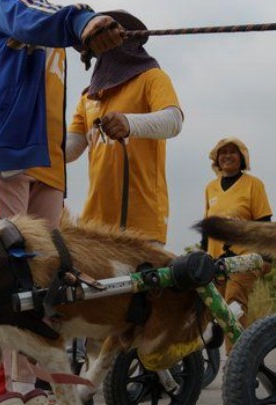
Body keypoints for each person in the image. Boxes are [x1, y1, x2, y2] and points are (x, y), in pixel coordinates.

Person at [0, 0, 123, 405]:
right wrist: (83, 22)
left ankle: (28, 383)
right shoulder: (8, 4)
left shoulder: (54, 12)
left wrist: (87, 26)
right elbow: (30, 20)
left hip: (47, 161)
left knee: (43, 281)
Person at [66, 10, 183, 245]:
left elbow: (173, 121)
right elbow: (71, 147)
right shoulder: (88, 98)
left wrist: (130, 123)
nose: (107, 45)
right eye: (99, 40)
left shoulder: (152, 77)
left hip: (143, 221)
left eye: (112, 35)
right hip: (94, 226)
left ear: (131, 37)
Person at [201, 137, 273, 349]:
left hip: (244, 258)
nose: (227, 156)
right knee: (219, 310)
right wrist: (203, 258)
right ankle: (237, 355)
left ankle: (237, 363)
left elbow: (264, 223)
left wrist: (266, 256)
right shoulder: (210, 188)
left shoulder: (254, 185)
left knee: (234, 304)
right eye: (223, 152)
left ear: (242, 158)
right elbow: (207, 228)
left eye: (233, 152)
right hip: (216, 262)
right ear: (217, 159)